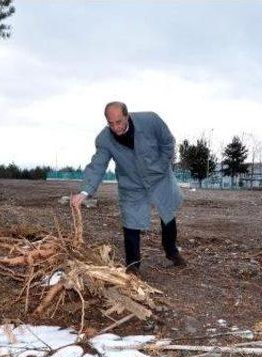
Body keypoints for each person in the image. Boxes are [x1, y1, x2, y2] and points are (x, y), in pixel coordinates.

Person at [71, 101, 186, 273]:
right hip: (131, 182)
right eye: (111, 123)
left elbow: (168, 142)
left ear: (127, 116)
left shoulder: (150, 120)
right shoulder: (104, 139)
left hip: (158, 175)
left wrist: (161, 165)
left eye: (119, 122)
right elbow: (97, 165)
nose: (115, 127)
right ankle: (133, 266)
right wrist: (85, 191)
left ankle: (172, 251)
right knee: (130, 221)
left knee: (167, 212)